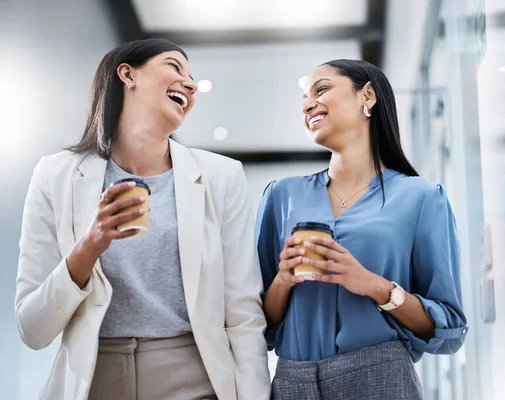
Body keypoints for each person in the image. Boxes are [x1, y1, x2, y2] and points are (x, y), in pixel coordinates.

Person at [15, 38, 270, 400]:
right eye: (174, 67)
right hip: (93, 381)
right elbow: (32, 328)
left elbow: (243, 313)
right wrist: (89, 246)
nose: (191, 84)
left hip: (195, 379)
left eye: (193, 78)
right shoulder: (54, 176)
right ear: (127, 74)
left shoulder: (221, 176)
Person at [256, 59, 468, 399]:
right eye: (304, 97)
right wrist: (283, 279)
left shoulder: (421, 198)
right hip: (292, 381)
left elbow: (449, 326)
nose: (307, 103)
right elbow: (255, 324)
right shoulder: (281, 196)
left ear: (366, 96)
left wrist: (375, 286)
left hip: (380, 378)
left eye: (321, 89)